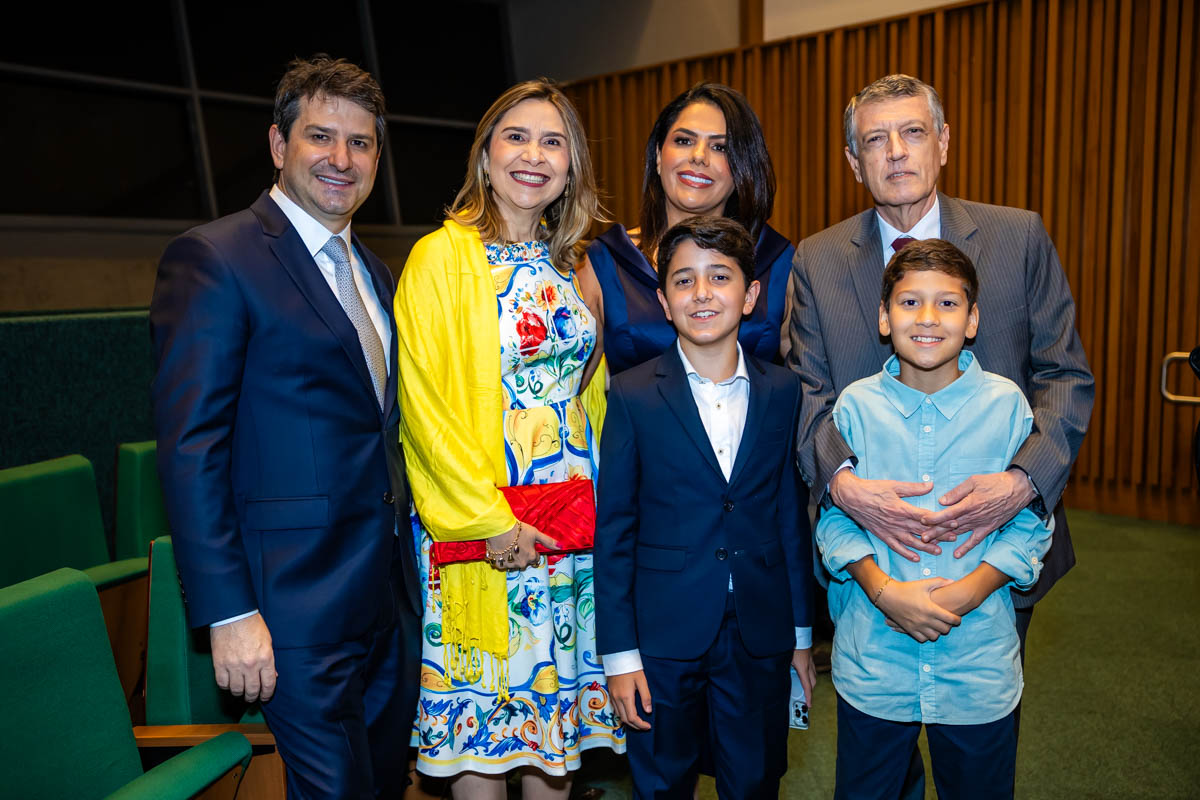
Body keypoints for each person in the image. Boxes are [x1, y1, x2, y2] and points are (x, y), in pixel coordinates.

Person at [150, 56, 419, 798]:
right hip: (288, 610)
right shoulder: (214, 258)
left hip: (386, 603)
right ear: (278, 144)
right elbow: (191, 448)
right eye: (320, 137)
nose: (341, 159)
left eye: (360, 143)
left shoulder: (375, 271)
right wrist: (229, 612)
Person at [788, 72, 1093, 654]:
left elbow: (1064, 376)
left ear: (944, 142)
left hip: (995, 548)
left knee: (978, 730)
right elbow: (808, 394)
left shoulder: (1017, 237)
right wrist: (846, 487)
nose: (896, 152)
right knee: (879, 731)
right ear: (854, 161)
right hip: (871, 555)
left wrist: (1022, 483)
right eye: (875, 140)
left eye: (912, 132)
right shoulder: (818, 259)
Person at [393, 79, 623, 799]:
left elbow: (592, 395)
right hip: (486, 530)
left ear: (571, 166)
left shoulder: (572, 263)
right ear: (485, 156)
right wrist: (491, 523)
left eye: (552, 141)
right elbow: (423, 411)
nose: (534, 154)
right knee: (482, 743)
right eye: (516, 137)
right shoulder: (440, 258)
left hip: (566, 530)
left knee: (553, 741)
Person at [817, 239, 1053, 799]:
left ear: (973, 320)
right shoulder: (853, 407)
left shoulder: (1007, 406)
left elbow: (1030, 523)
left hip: (977, 667)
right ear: (883, 316)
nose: (927, 319)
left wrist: (967, 593)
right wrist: (883, 591)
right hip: (874, 661)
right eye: (909, 303)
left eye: (947, 304)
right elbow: (833, 520)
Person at [595, 216, 816, 799]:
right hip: (663, 633)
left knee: (755, 780)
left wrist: (799, 635)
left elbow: (789, 519)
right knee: (662, 781)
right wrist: (619, 656)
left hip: (760, 629)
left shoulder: (783, 390)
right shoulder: (633, 394)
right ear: (664, 301)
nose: (701, 293)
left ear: (750, 295)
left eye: (719, 277)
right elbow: (614, 531)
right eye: (683, 280)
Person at [587, 82, 794, 375]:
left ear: (742, 168)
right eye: (684, 141)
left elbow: (805, 382)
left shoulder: (776, 260)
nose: (699, 156)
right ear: (659, 156)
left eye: (720, 147)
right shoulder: (605, 260)